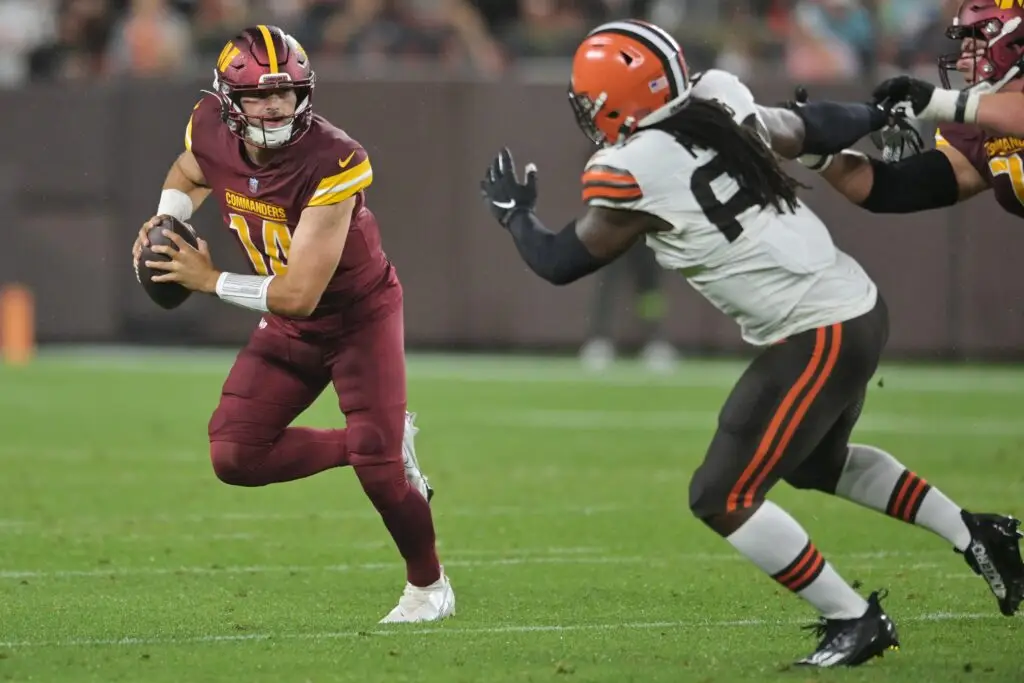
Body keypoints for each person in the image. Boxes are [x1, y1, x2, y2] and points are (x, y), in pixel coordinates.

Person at [478, 18, 1022, 667]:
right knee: (816, 464)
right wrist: (872, 112)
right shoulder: (720, 96)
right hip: (851, 305)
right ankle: (975, 532)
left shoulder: (629, 169)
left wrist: (516, 216)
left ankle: (853, 616)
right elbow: (809, 127)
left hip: (817, 328)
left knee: (722, 494)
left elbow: (562, 259)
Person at [130, 24, 455, 624]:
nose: (275, 105)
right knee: (234, 454)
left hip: (357, 316)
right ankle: (378, 446)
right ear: (229, 100)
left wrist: (208, 280)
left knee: (382, 478)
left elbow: (301, 294)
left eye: (287, 92)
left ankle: (429, 588)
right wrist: (164, 224)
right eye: (257, 94)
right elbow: (188, 172)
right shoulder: (209, 127)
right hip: (286, 324)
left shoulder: (335, 157)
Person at [803, 1, 1024, 221]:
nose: (961, 64)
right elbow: (893, 189)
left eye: (975, 51)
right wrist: (818, 153)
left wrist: (935, 102)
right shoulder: (981, 129)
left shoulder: (982, 112)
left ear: (1015, 49)